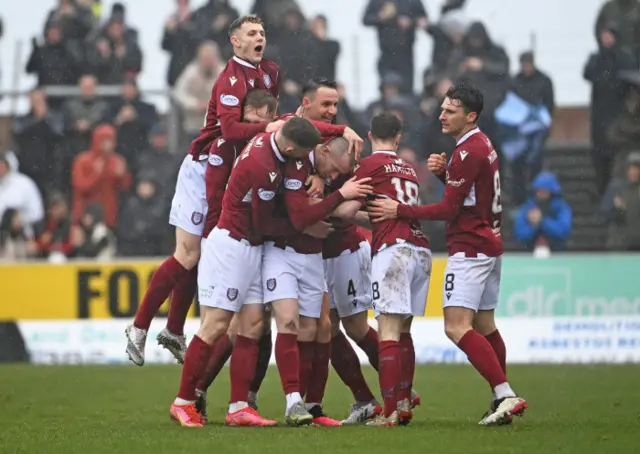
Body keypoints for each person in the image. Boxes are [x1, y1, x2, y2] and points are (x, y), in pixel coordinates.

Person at [125, 14, 285, 366]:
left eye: (262, 31)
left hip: (234, 167)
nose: (260, 37)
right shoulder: (229, 79)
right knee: (188, 254)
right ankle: (138, 327)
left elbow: (270, 121)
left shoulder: (269, 72)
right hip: (205, 167)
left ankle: (174, 331)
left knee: (197, 257)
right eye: (251, 33)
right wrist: (269, 130)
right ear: (235, 41)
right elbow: (228, 130)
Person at [367, 85, 527, 426]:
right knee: (484, 325)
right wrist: (443, 174)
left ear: (470, 116)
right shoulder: (479, 146)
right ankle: (500, 397)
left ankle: (505, 393)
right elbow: (470, 196)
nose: (441, 115)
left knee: (456, 327)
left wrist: (400, 209)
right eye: (442, 109)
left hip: (470, 248)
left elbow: (448, 209)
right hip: (489, 244)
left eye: (450, 110)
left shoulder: (470, 150)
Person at [171, 117, 324, 428]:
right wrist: (304, 225)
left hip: (251, 248)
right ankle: (183, 401)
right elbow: (264, 224)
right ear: (292, 147)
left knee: (252, 324)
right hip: (232, 247)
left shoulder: (272, 138)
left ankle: (239, 406)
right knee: (215, 325)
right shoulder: (263, 167)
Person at [331, 112, 431, 427]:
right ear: (398, 138)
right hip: (421, 250)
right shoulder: (409, 169)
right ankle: (402, 401)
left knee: (386, 329)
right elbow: (391, 213)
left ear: (370, 135)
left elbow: (346, 209)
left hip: (393, 251)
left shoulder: (369, 166)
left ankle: (388, 412)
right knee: (403, 331)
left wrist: (327, 206)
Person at [193, 89, 279, 423]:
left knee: (260, 326)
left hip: (261, 240)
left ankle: (245, 400)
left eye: (259, 121)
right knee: (224, 327)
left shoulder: (274, 146)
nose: (252, 126)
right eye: (248, 119)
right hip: (230, 239)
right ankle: (195, 392)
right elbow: (215, 199)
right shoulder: (226, 146)